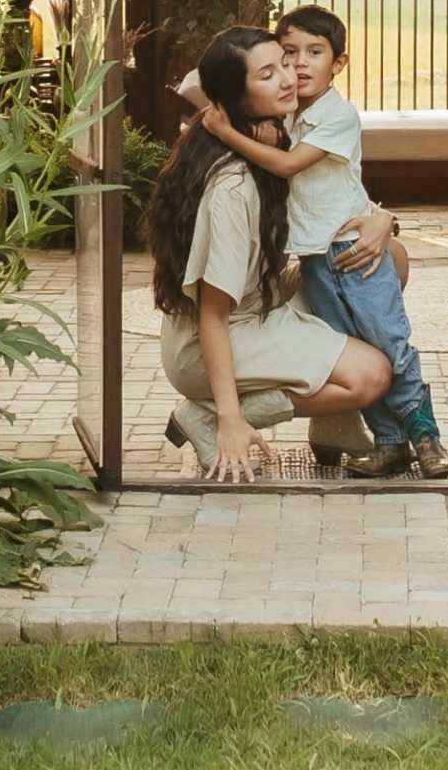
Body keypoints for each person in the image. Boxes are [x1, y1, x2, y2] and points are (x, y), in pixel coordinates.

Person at [195, 2, 448, 481]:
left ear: (339, 64)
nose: (299, 64)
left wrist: (227, 132)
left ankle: (427, 437)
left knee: (390, 343)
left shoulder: (336, 117)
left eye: (315, 52)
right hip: (316, 260)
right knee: (360, 347)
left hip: (353, 252)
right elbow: (210, 86)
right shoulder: (289, 116)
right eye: (288, 53)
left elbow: (288, 167)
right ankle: (391, 445)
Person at [146, 25, 393, 483]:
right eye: (267, 74)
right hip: (212, 341)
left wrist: (383, 219)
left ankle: (334, 425)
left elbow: (333, 199)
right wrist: (229, 417)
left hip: (259, 303)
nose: (289, 76)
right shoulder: (232, 186)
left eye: (284, 62)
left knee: (388, 259)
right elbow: (213, 317)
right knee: (370, 376)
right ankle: (209, 418)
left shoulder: (271, 142)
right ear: (235, 98)